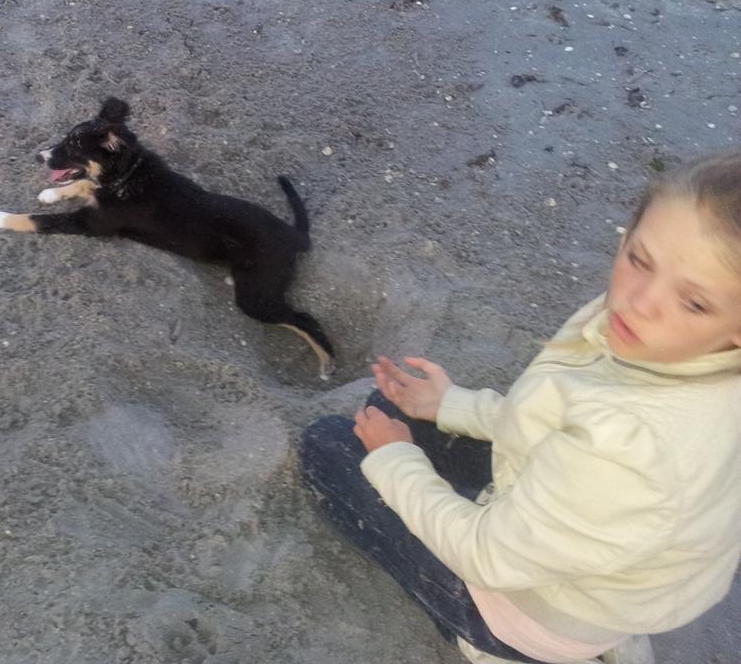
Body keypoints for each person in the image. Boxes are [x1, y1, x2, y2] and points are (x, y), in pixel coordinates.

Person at [299, 149, 741, 664]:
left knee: (329, 447)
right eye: (639, 258)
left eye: (694, 302)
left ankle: (502, 648)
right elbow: (563, 414)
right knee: (391, 412)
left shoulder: (634, 445)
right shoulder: (666, 344)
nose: (638, 300)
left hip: (533, 612)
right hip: (626, 567)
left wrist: (398, 462)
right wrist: (452, 405)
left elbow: (487, 557)